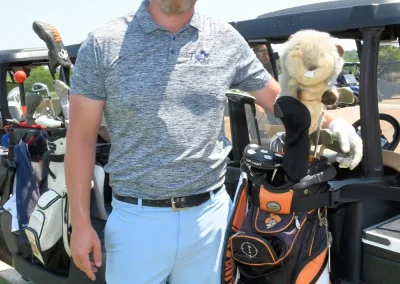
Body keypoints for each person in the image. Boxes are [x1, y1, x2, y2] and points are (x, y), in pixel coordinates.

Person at [64, 0, 363, 283]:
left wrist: (332, 123)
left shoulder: (224, 39)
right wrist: (80, 224)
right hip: (136, 222)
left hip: (211, 220)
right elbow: (81, 136)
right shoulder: (104, 42)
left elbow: (279, 100)